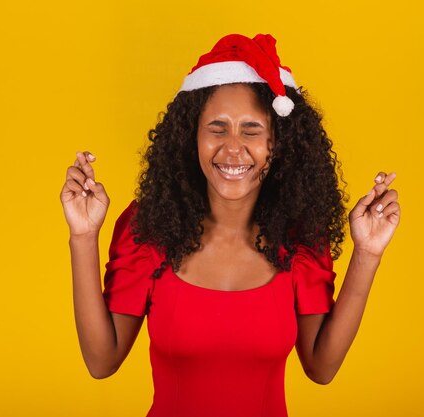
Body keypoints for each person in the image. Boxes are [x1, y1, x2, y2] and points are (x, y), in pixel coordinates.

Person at [60, 33, 400, 417]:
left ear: (278, 142)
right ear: (192, 138)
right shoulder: (149, 229)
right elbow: (101, 362)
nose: (233, 148)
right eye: (217, 128)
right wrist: (83, 236)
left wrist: (368, 254)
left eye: (252, 130)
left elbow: (321, 368)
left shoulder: (301, 240)